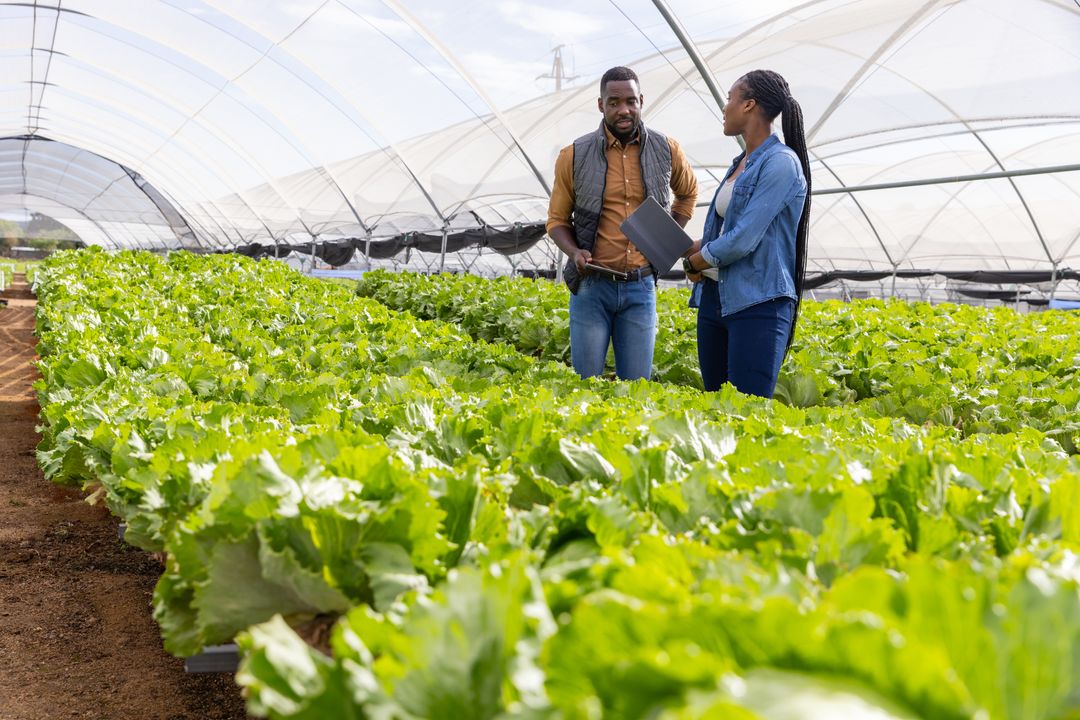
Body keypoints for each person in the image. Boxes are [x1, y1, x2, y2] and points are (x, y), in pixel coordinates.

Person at [547, 66, 699, 381]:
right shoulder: (573, 155)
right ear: (601, 105)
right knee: (585, 385)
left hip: (640, 287)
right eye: (614, 102)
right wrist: (575, 251)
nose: (624, 109)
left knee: (636, 388)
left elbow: (688, 193)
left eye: (630, 101)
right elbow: (557, 221)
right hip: (592, 287)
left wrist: (665, 238)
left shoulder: (666, 149)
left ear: (641, 101)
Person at [682, 69, 811, 398]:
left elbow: (743, 238)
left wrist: (698, 261)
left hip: (758, 304)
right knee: (715, 406)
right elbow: (727, 232)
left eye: (729, 99)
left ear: (749, 105)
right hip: (716, 300)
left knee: (745, 414)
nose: (724, 108)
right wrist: (686, 248)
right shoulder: (742, 162)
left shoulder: (781, 163)